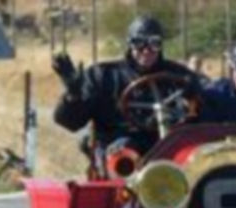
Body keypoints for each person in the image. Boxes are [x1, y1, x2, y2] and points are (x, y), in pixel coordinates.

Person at [52, 15, 199, 161]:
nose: (146, 51)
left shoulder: (179, 76)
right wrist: (73, 94)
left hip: (170, 150)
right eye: (139, 43)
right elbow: (71, 123)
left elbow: (208, 97)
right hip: (118, 154)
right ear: (130, 44)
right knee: (124, 150)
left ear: (161, 46)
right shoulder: (103, 76)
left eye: (154, 43)